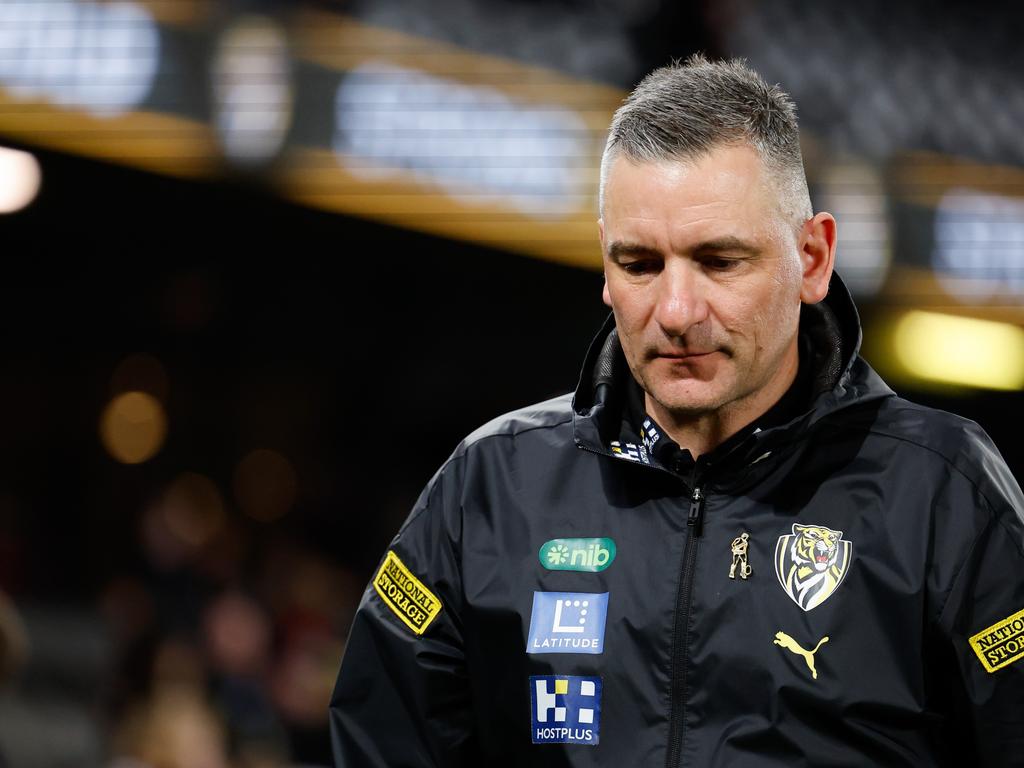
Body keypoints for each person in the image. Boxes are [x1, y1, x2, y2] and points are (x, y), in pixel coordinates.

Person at [329, 55, 1024, 766]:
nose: (677, 311)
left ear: (812, 259)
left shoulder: (945, 493)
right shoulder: (490, 486)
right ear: (606, 266)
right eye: (640, 264)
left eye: (720, 261)